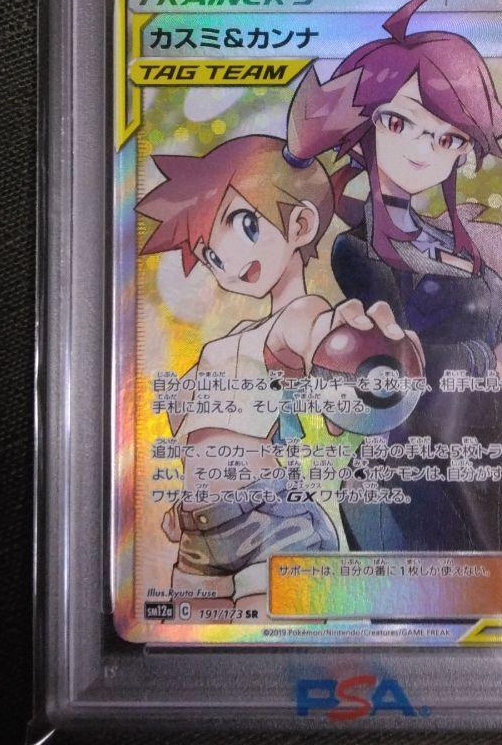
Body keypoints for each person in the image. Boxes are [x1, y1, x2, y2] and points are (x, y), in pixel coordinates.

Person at [284, 0, 502, 552]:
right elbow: (393, 367)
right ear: (366, 127)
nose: (423, 149)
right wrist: (489, 359)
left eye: (447, 138)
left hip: (488, 464)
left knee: (494, 607)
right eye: (398, 123)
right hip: (406, 473)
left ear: (463, 151)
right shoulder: (358, 250)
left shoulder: (461, 240)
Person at [137, 133, 418, 611]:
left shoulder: (297, 315)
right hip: (198, 535)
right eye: (210, 254)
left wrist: (363, 345)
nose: (224, 260)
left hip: (271, 520)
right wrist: (184, 504)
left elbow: (317, 332)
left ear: (301, 225)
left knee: (270, 642)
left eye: (244, 224)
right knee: (192, 645)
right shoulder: (228, 342)